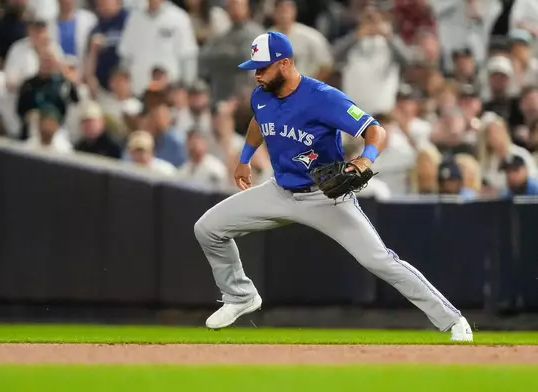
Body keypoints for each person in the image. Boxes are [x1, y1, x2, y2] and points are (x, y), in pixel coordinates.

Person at [193, 32, 473, 342]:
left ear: (285, 64)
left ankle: (453, 321)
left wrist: (365, 161)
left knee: (380, 261)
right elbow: (259, 122)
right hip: (279, 191)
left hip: (325, 196)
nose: (256, 75)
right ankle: (240, 296)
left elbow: (375, 131)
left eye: (263, 68)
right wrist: (245, 158)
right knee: (208, 228)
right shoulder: (261, 95)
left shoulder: (322, 97)